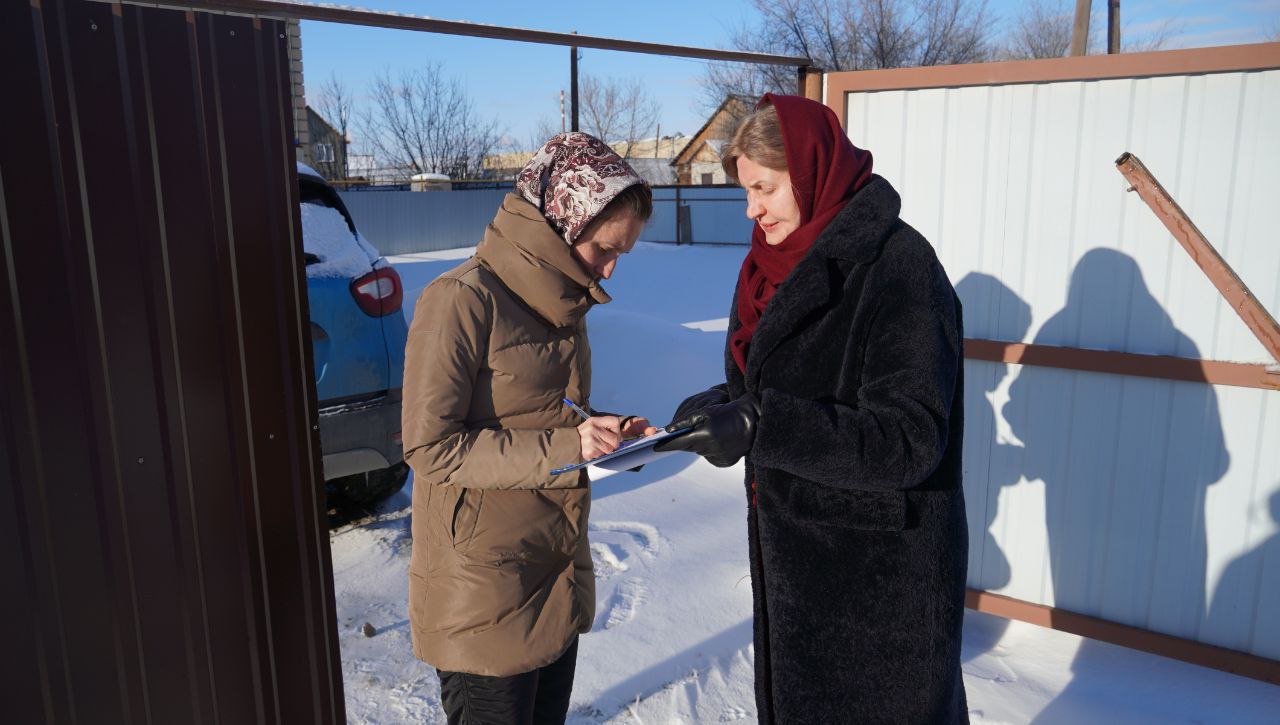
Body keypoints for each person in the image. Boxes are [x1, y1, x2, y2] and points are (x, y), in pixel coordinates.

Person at [657, 95, 969, 723]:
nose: (751, 209)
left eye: (764, 189)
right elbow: (775, 387)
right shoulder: (767, 267)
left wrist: (761, 426)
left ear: (809, 172)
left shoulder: (898, 268)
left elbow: (908, 439)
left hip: (879, 587)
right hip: (798, 568)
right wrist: (713, 413)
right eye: (745, 191)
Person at [401, 132, 656, 725]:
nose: (611, 268)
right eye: (603, 249)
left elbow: (540, 413)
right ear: (560, 224)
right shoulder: (461, 300)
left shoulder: (563, 301)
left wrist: (606, 429)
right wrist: (570, 445)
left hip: (552, 567)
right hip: (484, 588)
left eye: (623, 254)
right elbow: (429, 447)